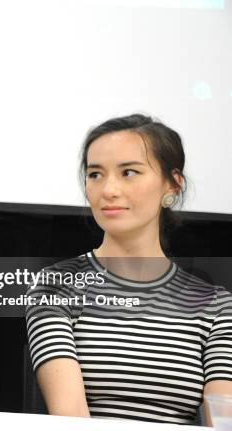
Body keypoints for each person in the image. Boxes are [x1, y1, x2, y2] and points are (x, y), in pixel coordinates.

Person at [25, 114, 232, 424]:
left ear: (172, 184)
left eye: (129, 172)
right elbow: (70, 419)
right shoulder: (55, 287)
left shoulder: (217, 305)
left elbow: (223, 421)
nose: (108, 189)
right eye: (95, 174)